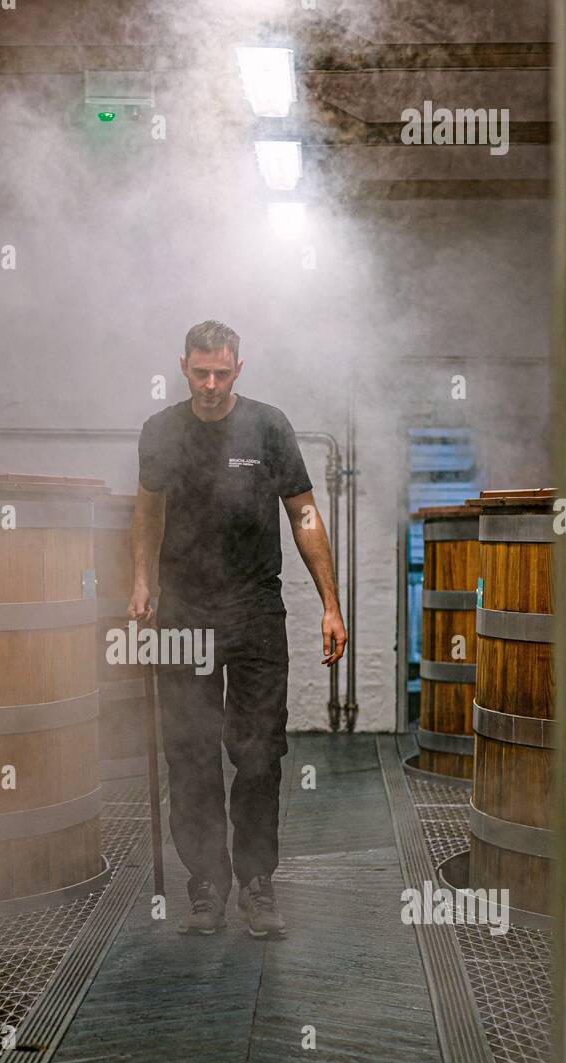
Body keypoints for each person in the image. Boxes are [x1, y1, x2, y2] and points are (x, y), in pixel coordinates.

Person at [128, 320, 347, 940]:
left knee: (256, 754)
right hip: (186, 613)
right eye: (200, 372)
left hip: (254, 608)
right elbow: (146, 513)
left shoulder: (268, 426)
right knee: (191, 754)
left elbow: (303, 512)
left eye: (222, 372)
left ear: (238, 369)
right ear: (183, 366)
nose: (211, 384)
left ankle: (255, 882)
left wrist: (330, 603)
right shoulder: (162, 432)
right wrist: (141, 581)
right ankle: (205, 887)